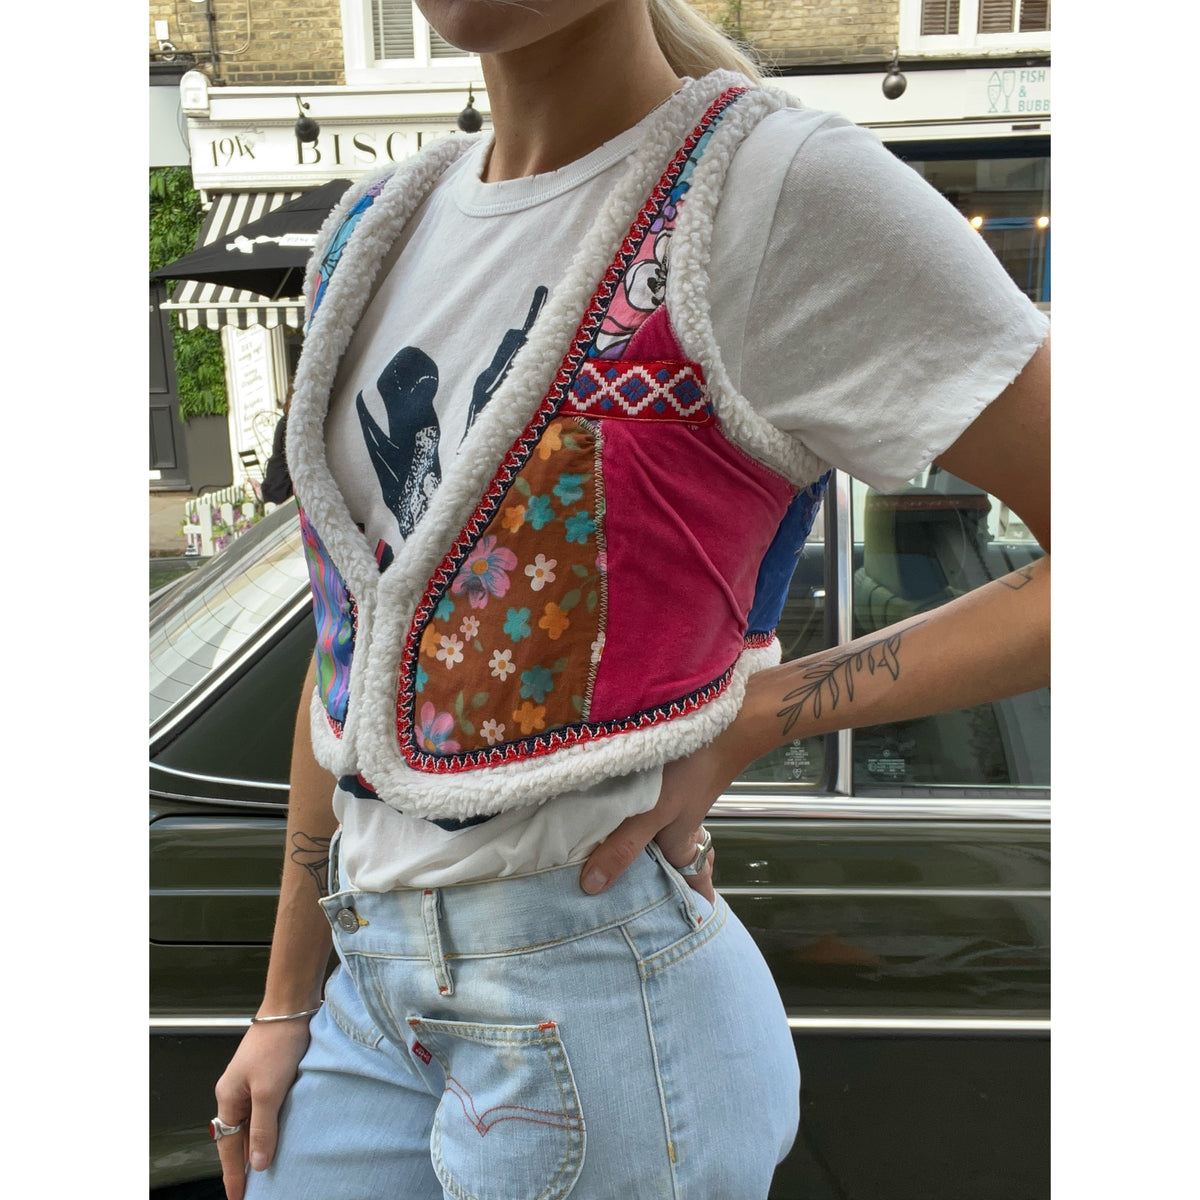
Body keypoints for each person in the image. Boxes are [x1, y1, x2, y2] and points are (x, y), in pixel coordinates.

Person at [211, 2, 1050, 1198]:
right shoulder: (374, 228)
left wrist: (754, 718)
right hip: (371, 995)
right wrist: (286, 998)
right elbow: (351, 645)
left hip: (600, 996)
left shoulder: (774, 189)